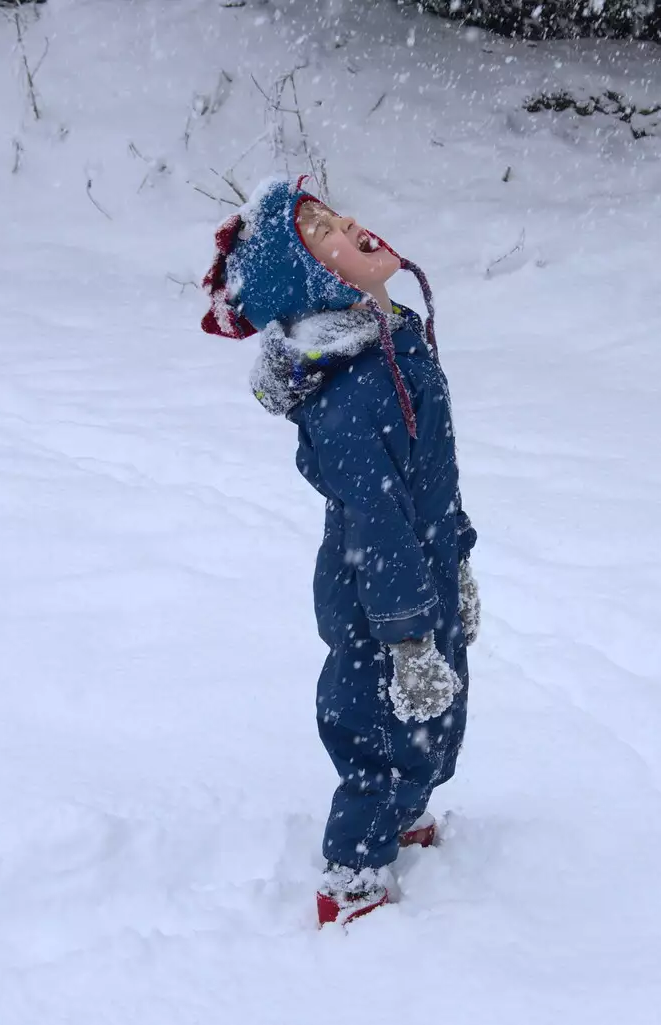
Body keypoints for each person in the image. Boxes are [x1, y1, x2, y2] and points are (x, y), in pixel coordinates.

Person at [201, 176, 480, 928]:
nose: (348, 222)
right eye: (320, 227)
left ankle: (407, 809)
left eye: (334, 210)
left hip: (422, 560)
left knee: (438, 711)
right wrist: (407, 632)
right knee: (372, 721)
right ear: (313, 278)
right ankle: (354, 873)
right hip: (375, 584)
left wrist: (457, 555)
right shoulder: (354, 393)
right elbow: (377, 521)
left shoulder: (395, 331)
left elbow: (435, 476)